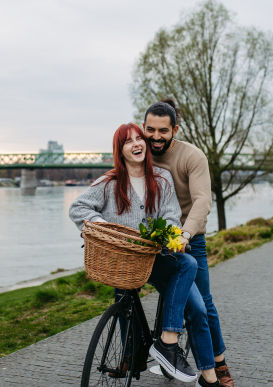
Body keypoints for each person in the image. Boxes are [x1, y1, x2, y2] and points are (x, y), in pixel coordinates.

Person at [69, 123, 220, 384]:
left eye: (140, 138)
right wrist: (105, 227)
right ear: (120, 149)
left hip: (154, 259)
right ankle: (135, 355)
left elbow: (171, 215)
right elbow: (78, 208)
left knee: (191, 282)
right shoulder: (108, 182)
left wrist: (174, 236)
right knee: (126, 300)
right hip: (122, 262)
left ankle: (191, 362)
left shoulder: (161, 179)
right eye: (129, 141)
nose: (137, 143)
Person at [143, 99, 233, 387]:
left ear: (174, 130)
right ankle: (130, 355)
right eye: (150, 130)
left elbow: (203, 200)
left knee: (203, 306)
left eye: (163, 131)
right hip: (153, 239)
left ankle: (218, 366)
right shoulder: (141, 152)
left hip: (188, 239)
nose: (155, 137)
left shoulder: (192, 157)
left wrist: (184, 234)